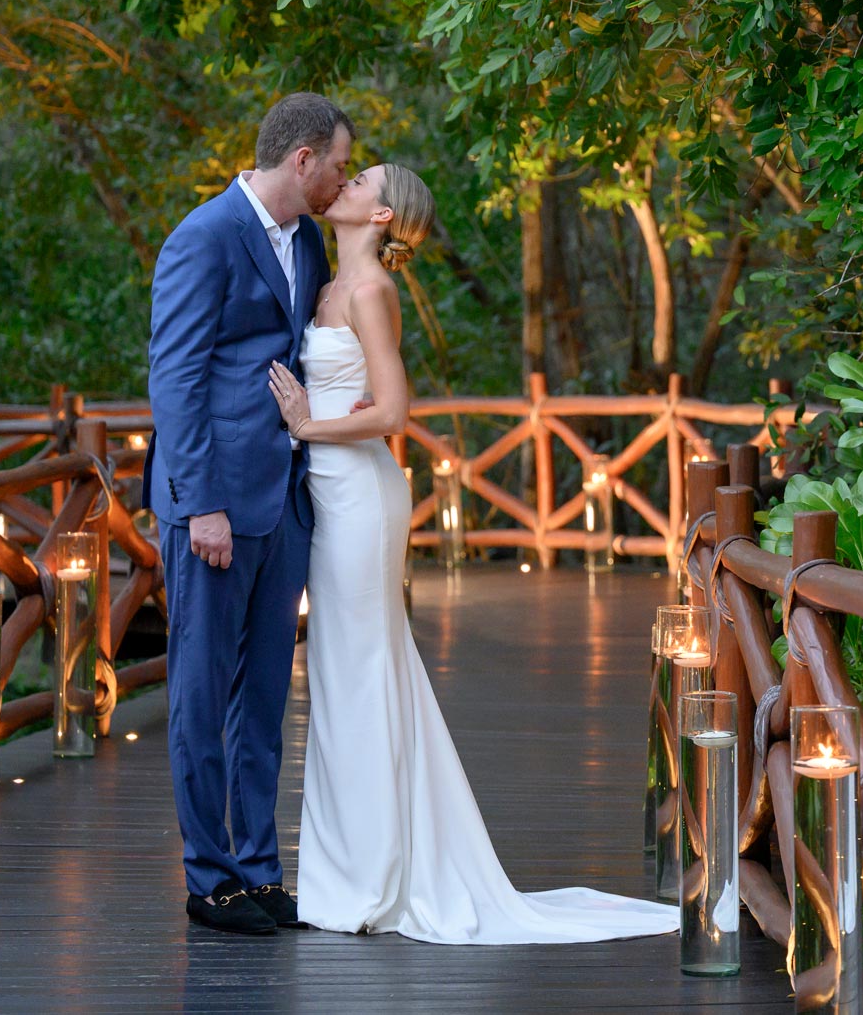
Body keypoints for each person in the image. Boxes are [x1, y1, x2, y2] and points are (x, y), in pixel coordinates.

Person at [267, 163, 677, 943]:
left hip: (359, 497)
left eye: (360, 179)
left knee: (361, 670)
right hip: (327, 491)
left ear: (382, 213)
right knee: (340, 672)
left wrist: (308, 425)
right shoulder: (322, 279)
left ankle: (372, 876)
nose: (346, 180)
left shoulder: (371, 294)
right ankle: (346, 868)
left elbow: (393, 408)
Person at [144, 92, 350, 935]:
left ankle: (260, 869)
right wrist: (201, 506)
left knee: (264, 695)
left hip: (285, 506)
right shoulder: (202, 237)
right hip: (215, 509)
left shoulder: (307, 240)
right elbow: (176, 379)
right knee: (199, 690)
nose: (343, 177)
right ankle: (209, 877)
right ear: (301, 158)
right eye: (338, 163)